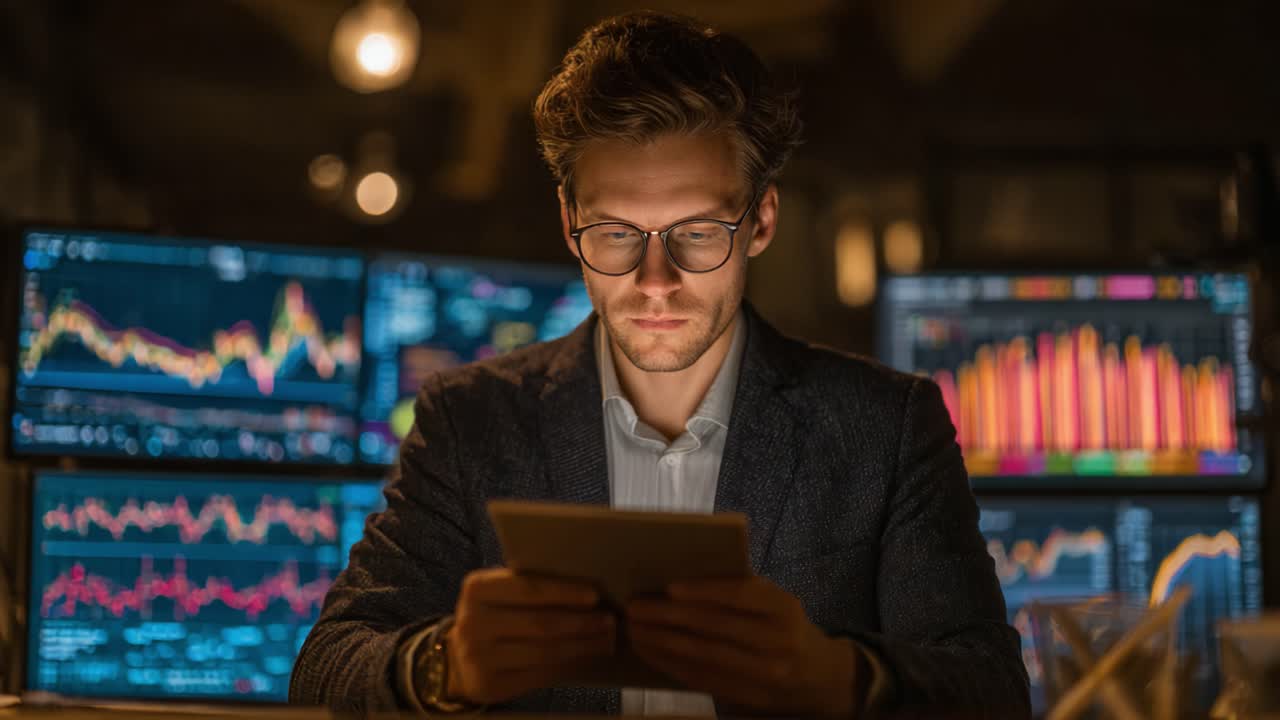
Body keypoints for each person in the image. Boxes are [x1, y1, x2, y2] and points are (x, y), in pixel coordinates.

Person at [290, 11, 1029, 718]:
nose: (655, 279)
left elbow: (990, 689)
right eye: (614, 233)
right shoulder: (470, 421)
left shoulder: (886, 426)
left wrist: (833, 676)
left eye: (697, 232)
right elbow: (326, 667)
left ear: (761, 221)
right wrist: (444, 665)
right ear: (568, 224)